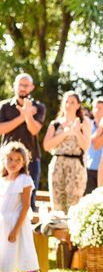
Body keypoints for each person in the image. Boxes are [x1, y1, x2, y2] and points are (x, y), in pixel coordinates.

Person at [0, 142, 38, 272]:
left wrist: (15, 229)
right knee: (5, 262)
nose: (13, 163)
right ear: (4, 161)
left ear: (23, 163)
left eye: (17, 160)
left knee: (20, 261)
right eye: (9, 159)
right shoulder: (2, 180)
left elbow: (25, 206)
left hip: (17, 226)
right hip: (3, 225)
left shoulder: (25, 179)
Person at [0, 74, 46, 210]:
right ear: (14, 86)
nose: (22, 88)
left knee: (29, 201)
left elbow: (34, 130)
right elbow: (1, 129)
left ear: (32, 87)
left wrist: (29, 115)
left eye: (26, 85)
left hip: (31, 160)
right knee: (4, 197)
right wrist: (24, 116)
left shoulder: (39, 107)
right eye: (20, 84)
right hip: (6, 159)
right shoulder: (4, 106)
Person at [42, 92, 91, 213]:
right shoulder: (55, 124)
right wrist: (65, 133)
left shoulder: (83, 123)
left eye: (72, 102)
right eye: (66, 102)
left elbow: (85, 146)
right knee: (57, 204)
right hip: (58, 165)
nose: (68, 105)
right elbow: (46, 146)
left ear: (78, 105)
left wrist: (76, 132)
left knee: (73, 205)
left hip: (76, 166)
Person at [85, 99, 103, 194]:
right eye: (95, 108)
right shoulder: (87, 125)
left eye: (100, 108)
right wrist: (99, 132)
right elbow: (86, 141)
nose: (97, 110)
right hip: (90, 167)